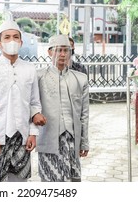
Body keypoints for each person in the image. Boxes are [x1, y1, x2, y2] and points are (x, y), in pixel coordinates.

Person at [0, 20, 45, 182]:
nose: (12, 40)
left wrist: (33, 133)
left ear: (21, 42)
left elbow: (34, 104)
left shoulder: (30, 69)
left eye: (15, 37)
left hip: (22, 137)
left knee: (19, 183)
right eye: (7, 37)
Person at [35, 34, 89, 182]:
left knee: (72, 181)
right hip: (48, 138)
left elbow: (84, 114)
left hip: (72, 139)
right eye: (58, 50)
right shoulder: (38, 76)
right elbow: (31, 104)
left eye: (66, 50)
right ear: (50, 52)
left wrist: (84, 141)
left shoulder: (80, 78)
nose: (63, 54)